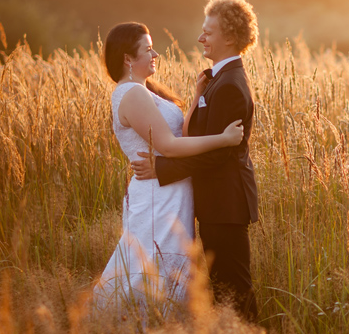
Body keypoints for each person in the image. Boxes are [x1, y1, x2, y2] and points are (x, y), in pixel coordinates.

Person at [94, 21, 244, 318]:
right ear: (127, 58)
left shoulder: (145, 92)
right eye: (147, 49)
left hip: (171, 191)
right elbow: (170, 147)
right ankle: (132, 330)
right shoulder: (131, 94)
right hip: (157, 194)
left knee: (169, 265)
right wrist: (224, 139)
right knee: (150, 263)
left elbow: (177, 138)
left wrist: (194, 98)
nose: (155, 54)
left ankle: (162, 330)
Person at [132, 0, 259, 322]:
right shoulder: (216, 80)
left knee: (234, 288)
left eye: (209, 32)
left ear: (229, 37)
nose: (201, 37)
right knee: (222, 286)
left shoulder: (230, 85)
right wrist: (197, 96)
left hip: (226, 202)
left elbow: (218, 155)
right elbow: (197, 139)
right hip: (217, 201)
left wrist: (161, 168)